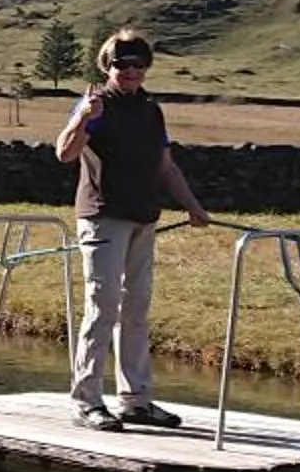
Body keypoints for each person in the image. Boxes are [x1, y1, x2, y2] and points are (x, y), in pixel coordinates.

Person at [54, 26, 209, 431]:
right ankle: (86, 400)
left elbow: (165, 166)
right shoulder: (95, 104)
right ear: (108, 66)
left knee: (137, 310)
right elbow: (64, 153)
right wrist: (84, 119)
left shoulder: (151, 110)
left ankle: (136, 401)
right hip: (103, 216)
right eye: (122, 64)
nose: (130, 71)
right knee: (102, 307)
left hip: (144, 217)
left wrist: (193, 207)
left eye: (138, 64)